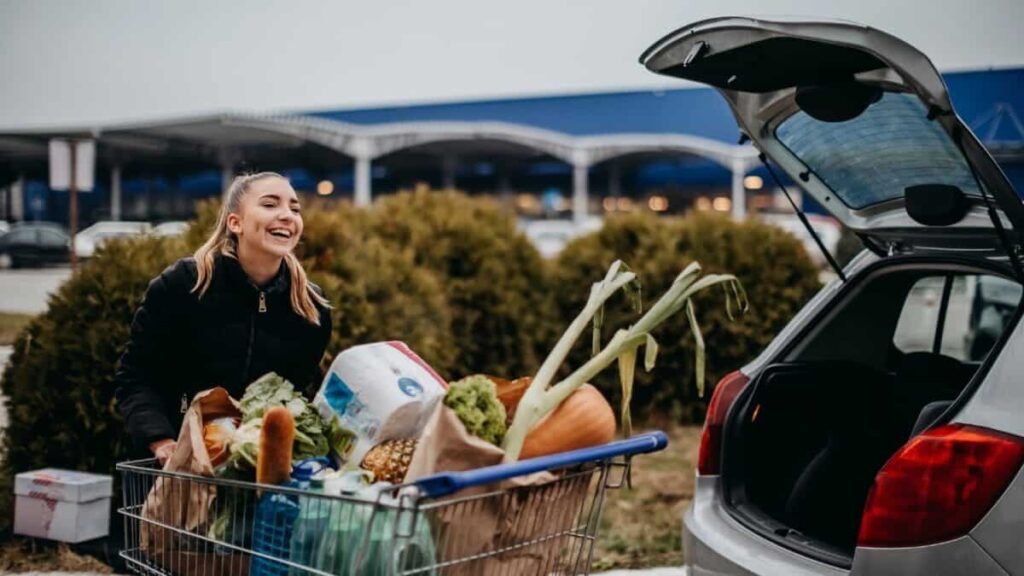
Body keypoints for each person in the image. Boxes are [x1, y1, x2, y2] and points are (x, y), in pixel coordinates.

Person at [115, 172, 332, 464]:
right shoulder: (184, 285)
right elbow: (136, 377)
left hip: (255, 471)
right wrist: (160, 440)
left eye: (295, 209)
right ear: (235, 223)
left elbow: (298, 396)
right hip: (176, 466)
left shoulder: (310, 307)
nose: (287, 215)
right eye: (270, 204)